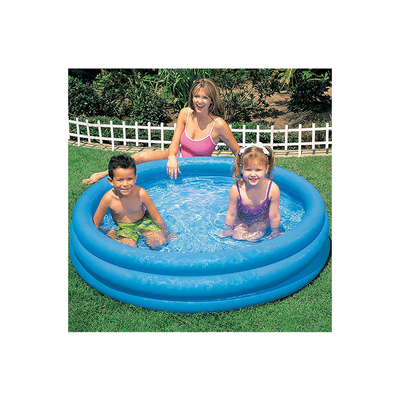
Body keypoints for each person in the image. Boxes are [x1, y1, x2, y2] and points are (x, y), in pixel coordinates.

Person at [82, 78, 240, 184]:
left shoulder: (218, 125)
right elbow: (174, 143)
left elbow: (238, 152)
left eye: (205, 97)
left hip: (197, 168)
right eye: (196, 96)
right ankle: (103, 174)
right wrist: (172, 157)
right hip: (177, 157)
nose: (199, 101)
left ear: (212, 100)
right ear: (191, 97)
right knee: (142, 156)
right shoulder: (185, 113)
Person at [93, 154, 174, 250]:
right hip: (124, 228)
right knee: (130, 248)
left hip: (144, 222)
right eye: (120, 180)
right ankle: (113, 234)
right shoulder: (108, 198)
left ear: (135, 178)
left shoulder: (141, 193)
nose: (125, 184)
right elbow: (96, 224)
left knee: (160, 242)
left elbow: (156, 218)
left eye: (129, 179)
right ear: (111, 181)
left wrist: (166, 232)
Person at [219, 143, 283, 242]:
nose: (253, 174)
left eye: (258, 170)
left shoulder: (272, 189)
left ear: (266, 169)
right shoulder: (236, 189)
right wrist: (227, 230)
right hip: (241, 220)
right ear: (242, 168)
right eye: (248, 169)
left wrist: (275, 232)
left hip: (261, 221)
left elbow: (274, 215)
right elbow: (231, 213)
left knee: (253, 238)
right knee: (237, 236)